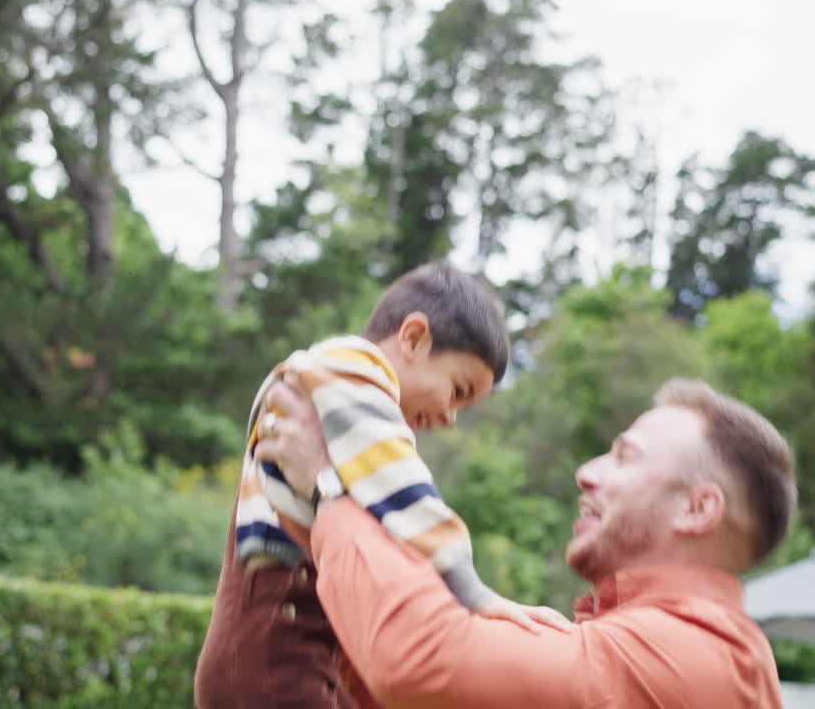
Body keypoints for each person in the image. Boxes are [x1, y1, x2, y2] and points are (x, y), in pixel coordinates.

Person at [254, 377, 796, 709]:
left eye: (626, 456)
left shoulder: (693, 655)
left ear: (697, 509)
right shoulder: (653, 647)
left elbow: (420, 662)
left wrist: (332, 490)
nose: (587, 472)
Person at [194, 261, 570, 709]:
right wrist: (470, 591)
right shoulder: (348, 373)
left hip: (283, 660)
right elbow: (400, 489)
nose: (450, 418)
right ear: (413, 338)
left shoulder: (339, 398)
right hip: (274, 660)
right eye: (457, 390)